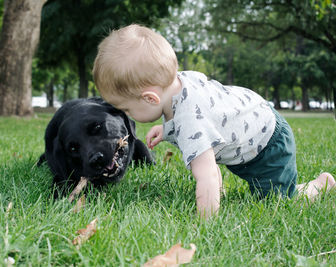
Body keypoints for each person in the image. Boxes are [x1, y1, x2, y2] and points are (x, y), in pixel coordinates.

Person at [92, 24, 335, 219]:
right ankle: (221, 193)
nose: (127, 114)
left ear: (150, 98)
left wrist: (206, 220)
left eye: (126, 108)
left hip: (268, 144)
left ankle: (319, 185)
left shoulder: (190, 121)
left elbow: (206, 172)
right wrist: (166, 129)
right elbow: (201, 118)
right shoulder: (179, 83)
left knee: (277, 200)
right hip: (255, 120)